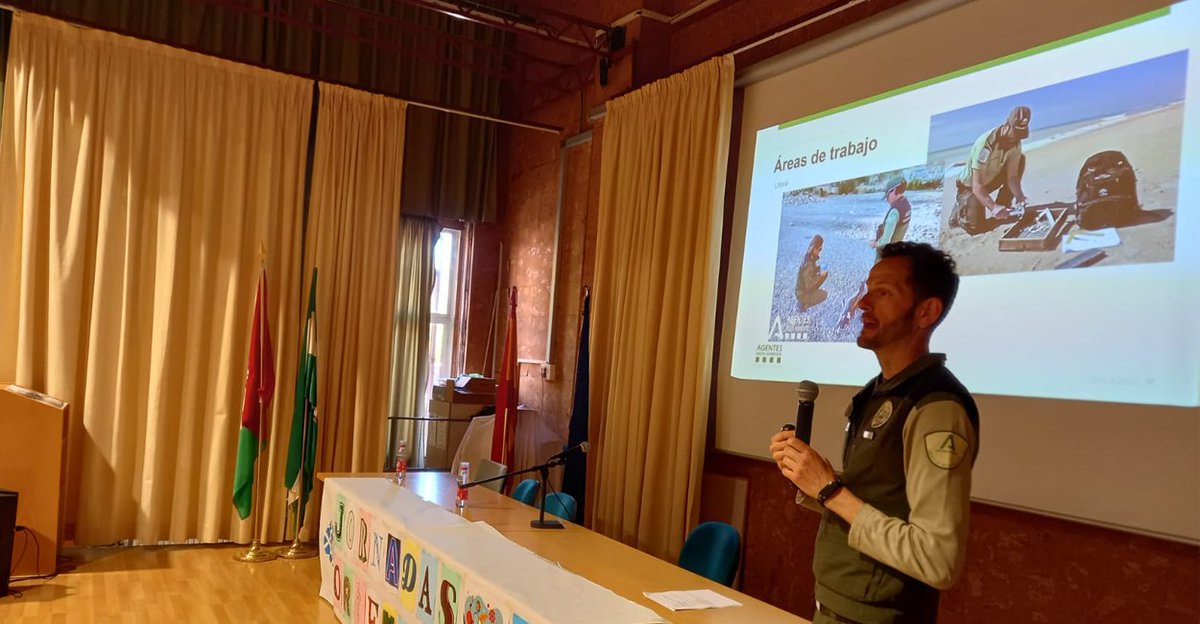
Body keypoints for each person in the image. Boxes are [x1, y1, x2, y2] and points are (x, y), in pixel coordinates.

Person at [770, 242, 979, 624]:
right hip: (832, 606)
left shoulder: (936, 408)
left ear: (926, 312)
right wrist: (811, 478)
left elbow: (937, 560)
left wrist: (830, 489)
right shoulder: (876, 392)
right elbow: (874, 501)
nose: (863, 303)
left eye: (882, 293)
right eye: (867, 290)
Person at [950, 106, 1031, 235]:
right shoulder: (985, 144)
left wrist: (1020, 197)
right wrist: (993, 207)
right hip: (971, 187)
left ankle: (1003, 205)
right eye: (1014, 135)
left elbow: (1012, 177)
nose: (1015, 140)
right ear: (1006, 125)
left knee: (1020, 160)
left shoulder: (1016, 143)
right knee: (976, 229)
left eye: (1020, 137)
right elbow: (977, 186)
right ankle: (959, 212)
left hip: (991, 179)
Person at [873, 176, 912, 249]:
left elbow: (885, 242)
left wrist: (875, 244)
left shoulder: (894, 212)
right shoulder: (906, 205)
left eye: (887, 195)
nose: (887, 199)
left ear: (894, 190)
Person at [796, 234, 829, 311]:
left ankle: (804, 300)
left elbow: (809, 273)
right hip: (802, 293)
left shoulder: (809, 257)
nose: (820, 251)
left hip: (801, 289)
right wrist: (819, 274)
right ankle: (803, 305)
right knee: (824, 294)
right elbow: (808, 284)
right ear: (814, 248)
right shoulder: (809, 263)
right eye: (819, 249)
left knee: (824, 271)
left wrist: (819, 269)